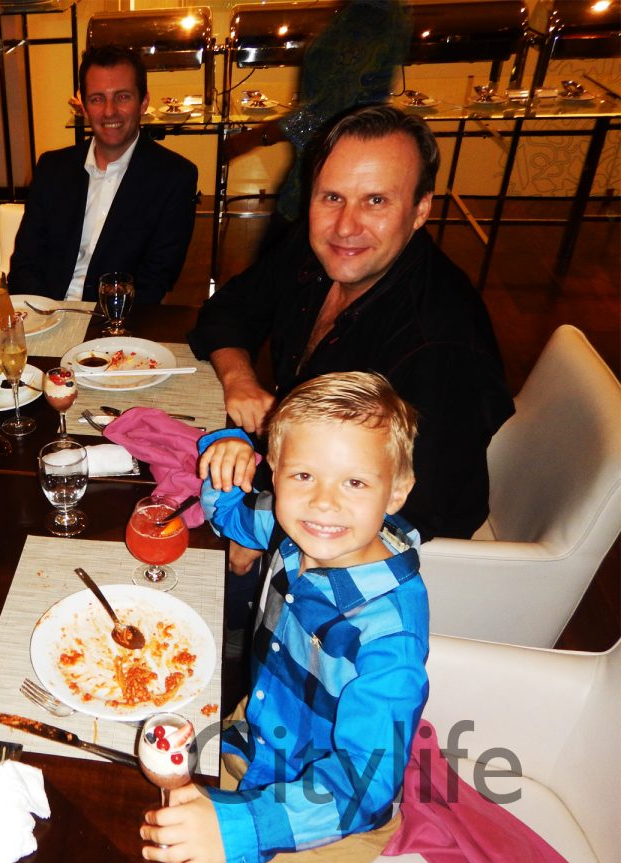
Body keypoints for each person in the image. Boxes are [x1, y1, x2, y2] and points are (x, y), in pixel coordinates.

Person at [188, 105, 513, 683]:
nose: (345, 226)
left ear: (420, 211)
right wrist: (240, 379)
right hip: (302, 476)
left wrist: (271, 531)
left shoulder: (438, 346)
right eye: (332, 197)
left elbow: (418, 507)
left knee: (194, 576)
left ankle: (233, 671)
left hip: (371, 569)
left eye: (376, 200)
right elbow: (226, 312)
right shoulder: (318, 249)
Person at [141, 371, 428, 863]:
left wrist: (239, 828)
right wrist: (227, 451)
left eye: (355, 482)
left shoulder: (390, 636)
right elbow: (228, 515)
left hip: (325, 814)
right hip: (256, 735)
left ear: (397, 491)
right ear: (275, 472)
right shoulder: (292, 525)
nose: (323, 502)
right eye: (303, 476)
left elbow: (366, 784)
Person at [7, 45, 198, 307]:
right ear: (84, 107)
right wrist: (46, 316)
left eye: (122, 97)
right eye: (97, 99)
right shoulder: (52, 167)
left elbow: (155, 281)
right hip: (45, 313)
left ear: (143, 103)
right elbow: (25, 262)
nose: (109, 112)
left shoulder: (174, 178)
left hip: (116, 319)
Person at [222, 0, 412, 250]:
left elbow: (329, 109)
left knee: (290, 252)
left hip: (335, 156)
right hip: (341, 153)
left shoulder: (369, 18)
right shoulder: (364, 11)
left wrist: (256, 137)